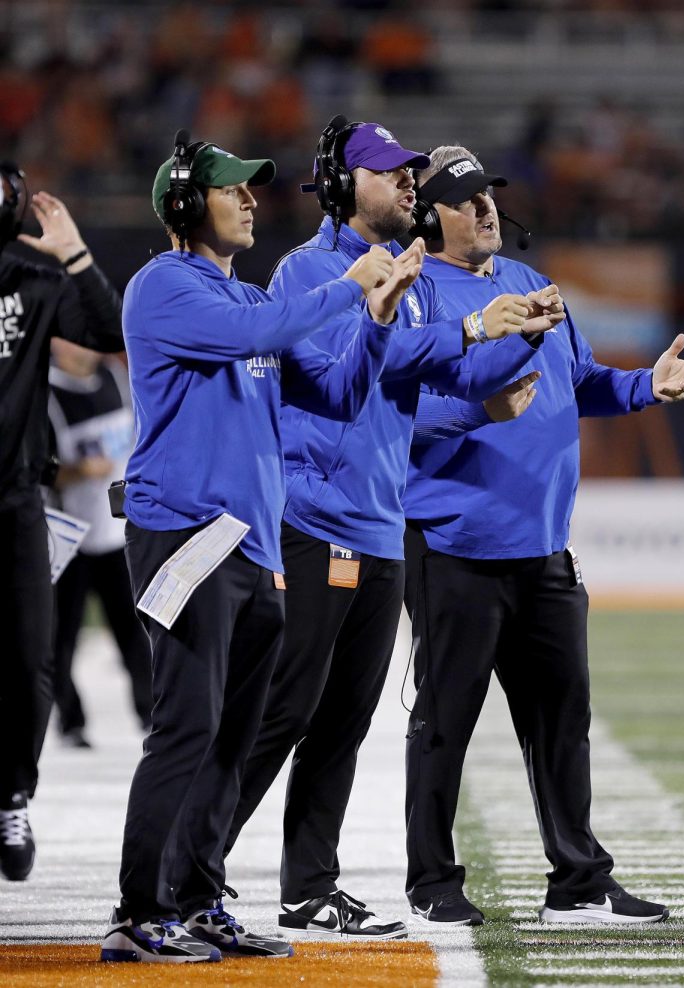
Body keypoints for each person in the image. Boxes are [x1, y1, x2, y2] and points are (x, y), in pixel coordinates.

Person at [221, 118, 561, 941]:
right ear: (343, 185)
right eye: (391, 172)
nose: (410, 183)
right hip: (315, 519)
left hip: (377, 524)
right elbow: (358, 368)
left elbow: (436, 377)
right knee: (283, 710)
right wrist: (474, 328)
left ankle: (308, 887)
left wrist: (518, 334)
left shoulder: (404, 277)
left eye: (412, 174)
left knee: (343, 720)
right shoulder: (312, 270)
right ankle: (193, 862)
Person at [100, 133, 417, 964]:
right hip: (188, 538)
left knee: (236, 736)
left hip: (252, 546)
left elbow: (342, 393)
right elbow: (271, 329)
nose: (248, 200)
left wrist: (377, 320)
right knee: (186, 726)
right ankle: (138, 912)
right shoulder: (164, 287)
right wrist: (351, 287)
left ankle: (200, 898)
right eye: (229, 189)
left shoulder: (243, 306)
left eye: (250, 189)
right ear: (181, 205)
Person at [402, 146, 684, 925]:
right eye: (465, 199)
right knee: (445, 724)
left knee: (561, 722)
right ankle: (432, 884)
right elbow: (392, 413)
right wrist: (479, 409)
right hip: (453, 546)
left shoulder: (530, 283)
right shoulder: (409, 294)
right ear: (428, 213)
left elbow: (579, 384)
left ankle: (576, 881)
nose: (485, 210)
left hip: (542, 548)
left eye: (489, 196)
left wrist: (646, 386)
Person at [0, 161, 124, 883]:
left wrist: (73, 253)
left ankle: (11, 793)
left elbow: (106, 329)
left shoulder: (30, 281)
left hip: (18, 500)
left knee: (29, 659)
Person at [47, 339, 152, 748]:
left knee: (135, 631)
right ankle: (70, 722)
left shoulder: (115, 376)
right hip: (72, 535)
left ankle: (151, 713)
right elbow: (39, 467)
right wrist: (77, 470)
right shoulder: (48, 394)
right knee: (61, 636)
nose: (84, 349)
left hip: (119, 534)